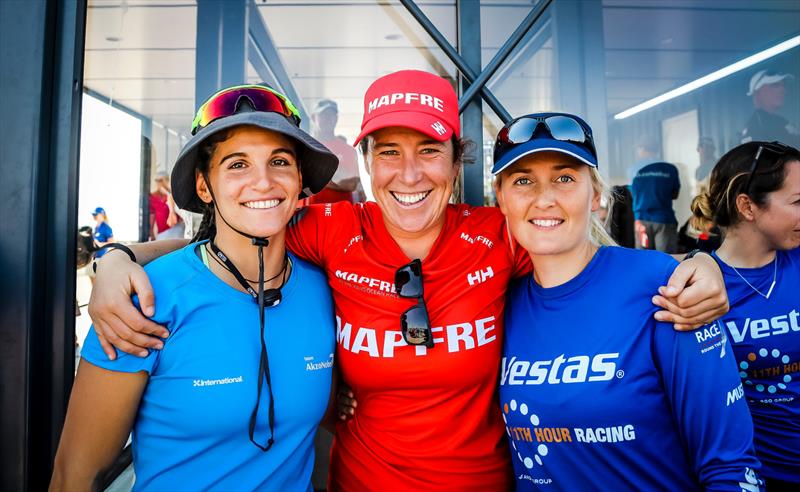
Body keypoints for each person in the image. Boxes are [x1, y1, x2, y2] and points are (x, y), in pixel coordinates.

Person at [87, 71, 730, 490]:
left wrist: (698, 266)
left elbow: (587, 256)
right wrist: (115, 258)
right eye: (387, 152)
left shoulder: (500, 231)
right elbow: (220, 236)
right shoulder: (330, 230)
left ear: (456, 162)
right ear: (363, 163)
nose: (409, 173)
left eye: (429, 150)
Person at [51, 84, 339, 490]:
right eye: (237, 165)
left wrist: (117, 252)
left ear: (298, 180)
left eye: (279, 161)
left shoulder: (324, 289)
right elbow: (74, 476)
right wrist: (113, 257)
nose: (263, 182)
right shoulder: (141, 300)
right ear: (204, 187)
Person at [493, 113, 762, 490]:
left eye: (565, 178)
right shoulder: (500, 303)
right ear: (501, 198)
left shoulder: (665, 288)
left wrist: (706, 261)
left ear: (597, 195)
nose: (545, 199)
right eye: (523, 181)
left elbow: (730, 467)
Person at [691, 141, 800, 490]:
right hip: (751, 477)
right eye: (798, 202)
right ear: (747, 206)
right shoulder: (699, 287)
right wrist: (700, 259)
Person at [629, 135, 681, 252]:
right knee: (666, 260)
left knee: (643, 260)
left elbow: (632, 193)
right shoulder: (670, 169)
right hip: (663, 220)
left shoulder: (635, 169)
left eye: (638, 148)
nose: (637, 152)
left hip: (641, 221)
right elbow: (675, 194)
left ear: (643, 149)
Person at [307, 99, 362, 204]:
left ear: (336, 119)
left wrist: (315, 177)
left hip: (340, 215)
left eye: (331, 115)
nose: (328, 119)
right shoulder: (303, 147)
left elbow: (351, 183)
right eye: (323, 115)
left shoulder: (347, 151)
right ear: (314, 118)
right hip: (308, 214)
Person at [741, 70, 799, 147]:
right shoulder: (755, 127)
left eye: (783, 85)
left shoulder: (780, 121)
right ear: (757, 93)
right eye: (775, 85)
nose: (782, 90)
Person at [149, 171, 184, 240]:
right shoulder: (152, 197)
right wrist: (151, 232)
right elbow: (152, 215)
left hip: (176, 229)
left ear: (167, 180)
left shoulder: (174, 194)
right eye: (156, 180)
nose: (159, 183)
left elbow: (182, 211)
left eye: (161, 180)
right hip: (162, 232)